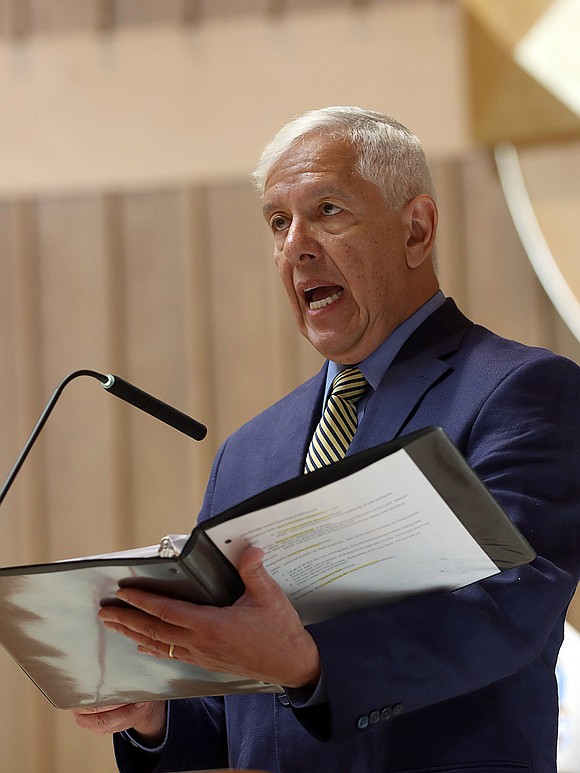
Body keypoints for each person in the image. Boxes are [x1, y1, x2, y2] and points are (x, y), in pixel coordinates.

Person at [73, 106, 580, 773]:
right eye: (278, 223)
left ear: (417, 228)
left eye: (329, 210)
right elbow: (234, 706)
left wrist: (307, 661)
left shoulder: (520, 391)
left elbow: (503, 610)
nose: (295, 245)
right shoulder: (250, 450)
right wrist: (154, 711)